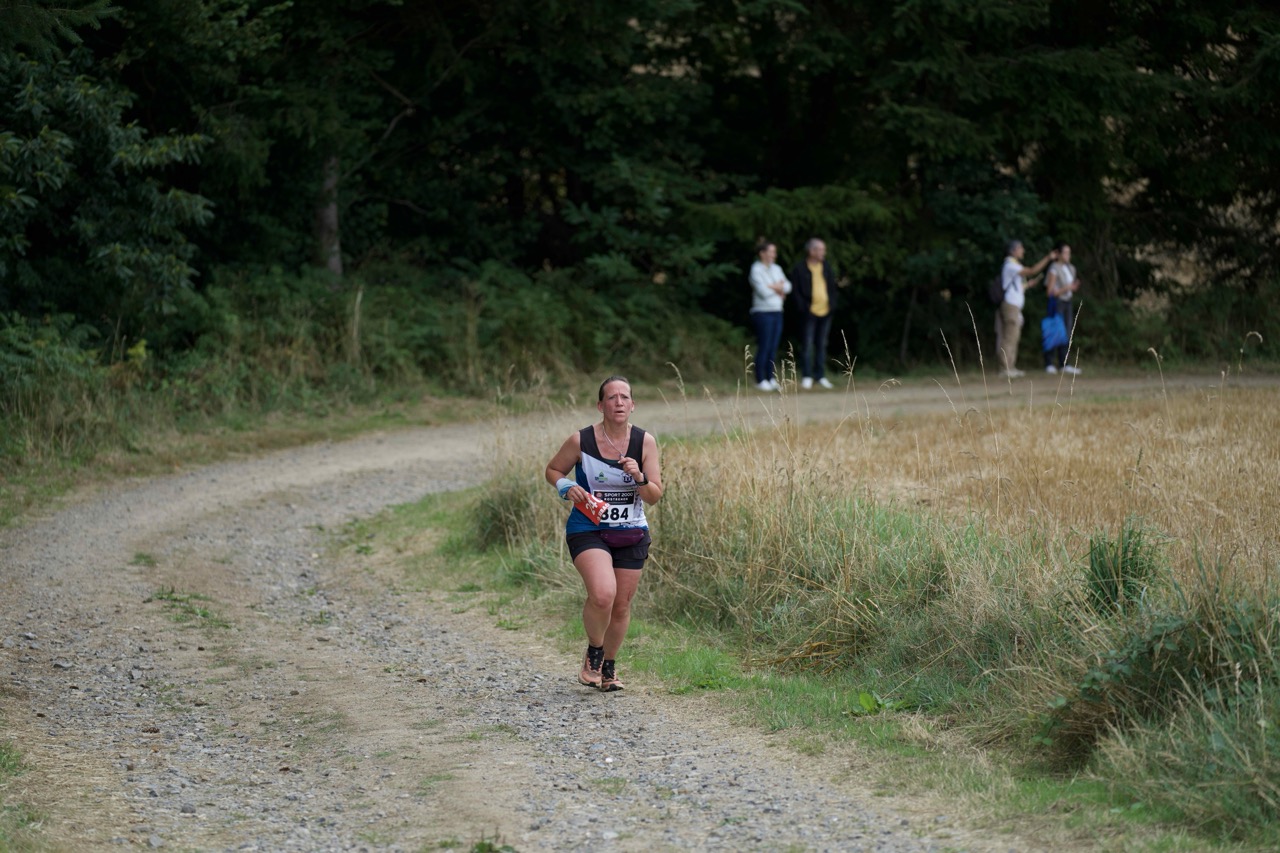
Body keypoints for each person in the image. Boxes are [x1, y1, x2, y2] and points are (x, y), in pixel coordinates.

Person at [544, 375, 663, 692]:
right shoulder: (581, 441)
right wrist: (566, 486)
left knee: (621, 605)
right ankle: (594, 653)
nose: (619, 402)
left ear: (633, 405)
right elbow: (553, 470)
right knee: (602, 594)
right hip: (589, 529)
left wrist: (639, 477)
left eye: (625, 397)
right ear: (601, 406)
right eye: (612, 397)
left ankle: (609, 668)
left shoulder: (645, 442)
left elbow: (654, 495)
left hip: (631, 531)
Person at [995, 240, 1056, 378]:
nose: (1023, 251)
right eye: (1020, 248)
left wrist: (1028, 285)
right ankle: (1005, 368)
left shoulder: (1014, 265)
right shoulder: (1010, 265)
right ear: (1013, 251)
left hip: (1015, 306)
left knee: (1014, 336)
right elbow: (1032, 270)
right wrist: (1048, 258)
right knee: (1009, 337)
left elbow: (1016, 287)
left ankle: (1010, 367)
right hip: (1010, 306)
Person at [790, 237, 837, 389]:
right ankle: (807, 376)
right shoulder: (800, 268)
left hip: (825, 311)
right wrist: (803, 307)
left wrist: (832, 305)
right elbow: (795, 291)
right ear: (811, 251)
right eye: (821, 249)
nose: (823, 252)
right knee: (807, 344)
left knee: (822, 344)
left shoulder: (826, 267)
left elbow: (832, 287)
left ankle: (820, 375)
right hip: (808, 313)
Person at [748, 241, 791, 391]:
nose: (774, 255)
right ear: (762, 253)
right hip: (762, 312)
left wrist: (773, 287)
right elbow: (763, 292)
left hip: (777, 311)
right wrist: (778, 288)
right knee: (764, 346)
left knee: (773, 347)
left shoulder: (777, 268)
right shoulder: (756, 269)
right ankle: (760, 379)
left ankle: (770, 378)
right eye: (771, 252)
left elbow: (788, 286)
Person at [1044, 244, 1082, 375]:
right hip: (1057, 302)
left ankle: (1064, 363)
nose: (1068, 255)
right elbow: (1050, 291)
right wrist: (1067, 288)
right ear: (1059, 254)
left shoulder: (1071, 268)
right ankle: (1049, 363)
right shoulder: (1054, 268)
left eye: (1069, 253)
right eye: (1065, 253)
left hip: (1067, 302)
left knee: (1067, 331)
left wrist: (1073, 287)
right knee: (1055, 331)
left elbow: (1070, 287)